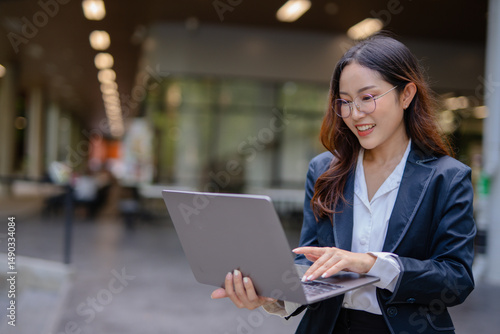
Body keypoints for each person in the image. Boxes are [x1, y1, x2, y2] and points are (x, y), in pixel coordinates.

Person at [210, 34, 476, 334]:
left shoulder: (447, 177)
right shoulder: (324, 170)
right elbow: (310, 262)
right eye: (345, 102)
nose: (355, 113)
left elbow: (456, 281)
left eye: (367, 97)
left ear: (406, 95)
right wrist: (273, 293)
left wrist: (370, 263)